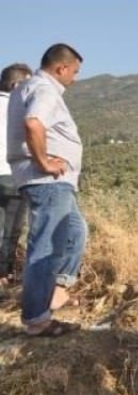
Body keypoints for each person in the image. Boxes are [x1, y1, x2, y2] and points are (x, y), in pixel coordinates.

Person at [7, 44, 86, 337]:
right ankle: (37, 319)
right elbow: (33, 123)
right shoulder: (44, 89)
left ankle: (55, 293)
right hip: (47, 182)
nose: (75, 79)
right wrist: (44, 161)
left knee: (76, 232)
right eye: (74, 72)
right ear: (61, 68)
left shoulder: (27, 87)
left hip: (51, 182)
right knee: (46, 247)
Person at [0, 63, 32, 287]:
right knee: (10, 230)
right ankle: (4, 275)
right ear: (17, 85)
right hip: (10, 175)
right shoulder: (17, 107)